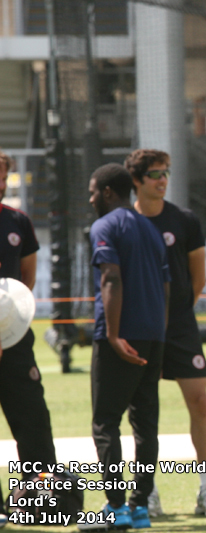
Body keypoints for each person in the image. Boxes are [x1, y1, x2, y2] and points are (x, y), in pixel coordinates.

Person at [125, 149, 206, 517]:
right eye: (154, 174)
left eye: (165, 172)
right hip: (138, 329)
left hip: (181, 327)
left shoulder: (184, 220)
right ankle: (146, 491)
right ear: (136, 180)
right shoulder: (124, 222)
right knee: (143, 413)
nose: (162, 179)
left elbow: (196, 279)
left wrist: (175, 312)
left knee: (199, 401)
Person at [83, 163, 170, 530]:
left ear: (107, 192)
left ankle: (115, 508)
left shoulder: (104, 226)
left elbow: (111, 278)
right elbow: (166, 287)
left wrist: (115, 336)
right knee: (145, 423)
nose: (89, 198)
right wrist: (158, 332)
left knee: (105, 422)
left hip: (120, 335)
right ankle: (139, 508)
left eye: (92, 191)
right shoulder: (151, 229)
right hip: (153, 336)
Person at [0, 149, 58, 528]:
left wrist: (7, 321)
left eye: (2, 174)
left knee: (33, 418)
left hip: (13, 339)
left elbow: (25, 277)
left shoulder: (18, 220)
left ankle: (37, 497)